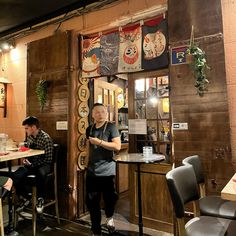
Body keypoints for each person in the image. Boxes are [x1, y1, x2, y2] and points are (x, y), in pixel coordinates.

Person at [86, 103, 121, 236]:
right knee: (92, 202)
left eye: (102, 112)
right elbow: (87, 148)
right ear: (92, 114)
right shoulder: (89, 129)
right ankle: (96, 231)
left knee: (110, 199)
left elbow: (117, 146)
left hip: (107, 171)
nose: (100, 114)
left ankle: (110, 218)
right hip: (92, 171)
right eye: (97, 112)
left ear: (106, 113)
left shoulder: (111, 127)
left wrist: (100, 142)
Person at [12, 116, 53, 213]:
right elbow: (29, 152)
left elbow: (48, 159)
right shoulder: (30, 137)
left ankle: (40, 199)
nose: (25, 130)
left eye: (26, 128)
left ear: (33, 127)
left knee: (40, 173)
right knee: (16, 175)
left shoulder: (45, 138)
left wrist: (32, 164)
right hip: (32, 164)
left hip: (44, 165)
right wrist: (26, 160)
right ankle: (27, 198)